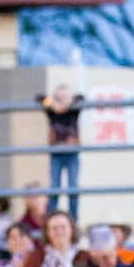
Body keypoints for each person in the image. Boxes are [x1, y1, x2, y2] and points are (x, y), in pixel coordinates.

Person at [40, 83, 84, 218]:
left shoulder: (73, 110)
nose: (62, 100)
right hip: (56, 153)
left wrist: (68, 104)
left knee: (73, 187)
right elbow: (39, 98)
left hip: (72, 152)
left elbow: (81, 98)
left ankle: (73, 220)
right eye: (59, 97)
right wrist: (52, 104)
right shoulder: (51, 111)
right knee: (54, 187)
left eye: (65, 97)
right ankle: (50, 217)